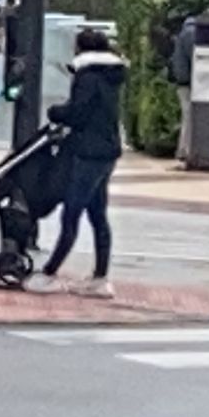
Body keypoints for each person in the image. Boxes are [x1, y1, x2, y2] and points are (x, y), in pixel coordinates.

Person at [24, 30, 128, 298]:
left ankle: (49, 273)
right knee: (97, 214)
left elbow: (78, 113)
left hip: (87, 152)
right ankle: (100, 277)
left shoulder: (87, 77)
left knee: (72, 212)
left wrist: (56, 112)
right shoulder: (111, 77)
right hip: (107, 150)